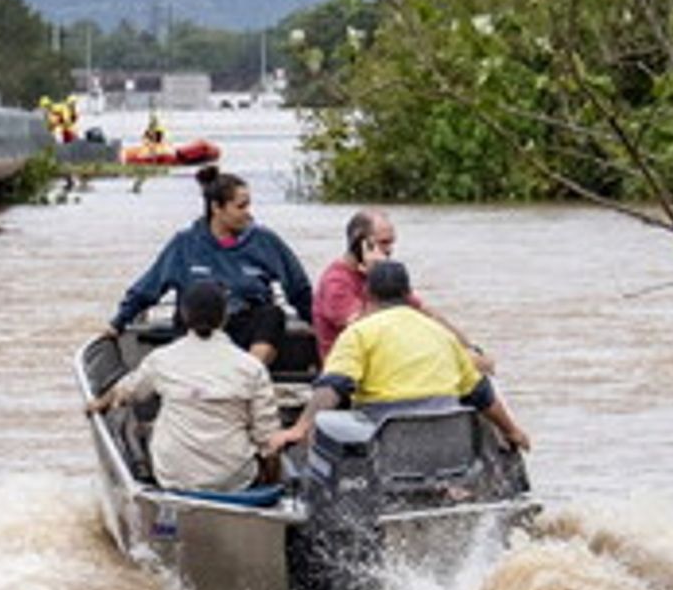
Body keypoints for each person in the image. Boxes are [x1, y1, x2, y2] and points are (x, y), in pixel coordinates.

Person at [272, 260, 529, 453]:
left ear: (367, 295)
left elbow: (333, 386)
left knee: (331, 427)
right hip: (447, 450)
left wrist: (300, 428)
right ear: (408, 294)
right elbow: (482, 394)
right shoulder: (441, 334)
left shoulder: (359, 333)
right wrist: (513, 431)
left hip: (387, 448)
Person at [108, 166, 313, 368]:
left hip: (246, 327)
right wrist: (117, 323)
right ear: (216, 208)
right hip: (197, 330)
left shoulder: (265, 241)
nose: (247, 213)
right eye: (241, 207)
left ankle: (249, 375)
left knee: (272, 315)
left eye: (248, 206)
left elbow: (298, 288)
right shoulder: (185, 243)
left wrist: (317, 323)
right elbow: (147, 288)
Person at [88, 280, 280, 492]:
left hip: (172, 476)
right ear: (224, 317)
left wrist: (98, 403)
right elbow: (268, 438)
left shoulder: (162, 359)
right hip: (234, 479)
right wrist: (273, 479)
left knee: (147, 426)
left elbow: (126, 391)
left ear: (184, 316)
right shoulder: (251, 367)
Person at [313, 208, 494, 373]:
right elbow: (366, 330)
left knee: (477, 363)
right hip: (350, 371)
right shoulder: (336, 283)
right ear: (360, 244)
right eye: (383, 243)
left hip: (389, 360)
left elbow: (428, 314)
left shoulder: (387, 276)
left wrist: (468, 346)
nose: (390, 250)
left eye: (392, 243)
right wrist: (375, 274)